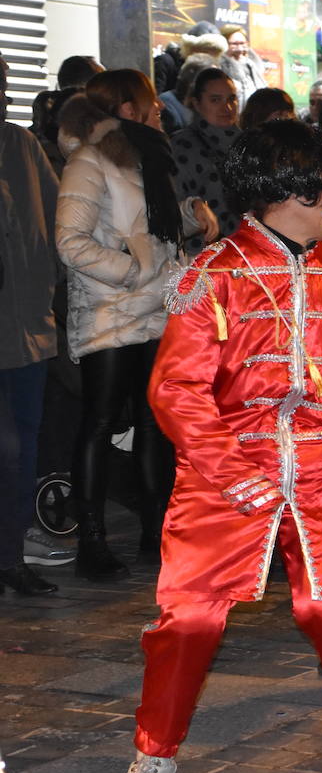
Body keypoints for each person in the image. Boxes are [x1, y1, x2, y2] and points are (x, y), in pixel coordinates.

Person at [107, 119, 322, 773]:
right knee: (186, 618)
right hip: (224, 475)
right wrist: (224, 466)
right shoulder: (213, 275)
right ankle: (154, 753)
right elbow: (175, 391)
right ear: (285, 193)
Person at [57, 70, 218, 580]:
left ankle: (156, 531)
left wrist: (191, 215)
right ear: (127, 107)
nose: (160, 110)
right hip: (109, 313)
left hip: (156, 309)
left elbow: (153, 227)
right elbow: (71, 242)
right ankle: (92, 541)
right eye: (150, 102)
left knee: (155, 422)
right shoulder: (90, 160)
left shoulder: (149, 154)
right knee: (101, 423)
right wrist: (133, 272)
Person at [0, 52, 63, 596]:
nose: (2, 94)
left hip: (27, 326)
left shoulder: (20, 145)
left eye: (3, 83)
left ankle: (11, 555)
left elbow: (54, 217)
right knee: (7, 447)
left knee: (25, 443)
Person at [170, 68, 241, 245]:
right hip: (202, 252)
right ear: (196, 103)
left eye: (232, 99)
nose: (227, 107)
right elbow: (175, 206)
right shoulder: (182, 145)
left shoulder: (247, 143)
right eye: (215, 100)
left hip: (248, 250)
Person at [219, 25, 268, 106]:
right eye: (234, 44)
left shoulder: (252, 66)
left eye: (242, 43)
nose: (240, 49)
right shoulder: (219, 68)